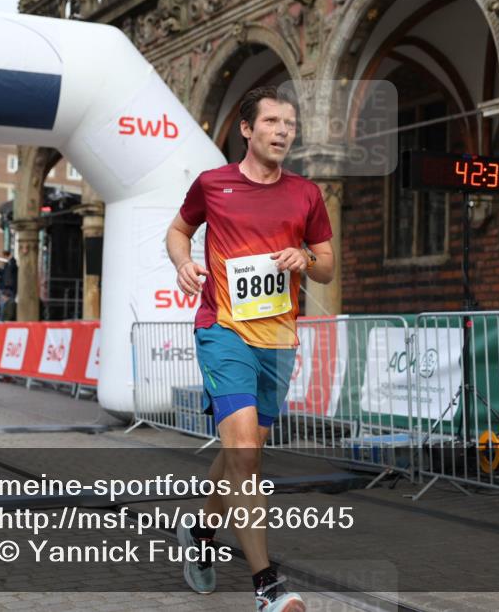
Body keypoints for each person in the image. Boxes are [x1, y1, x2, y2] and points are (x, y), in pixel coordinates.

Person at [165, 86, 334, 612]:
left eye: (290, 123)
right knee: (245, 452)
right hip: (222, 328)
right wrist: (183, 262)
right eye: (273, 122)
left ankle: (198, 533)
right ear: (247, 129)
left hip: (279, 338)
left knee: (246, 451)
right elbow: (177, 231)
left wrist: (304, 257)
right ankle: (266, 584)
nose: (284, 131)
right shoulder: (212, 185)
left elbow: (327, 264)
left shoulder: (306, 193)